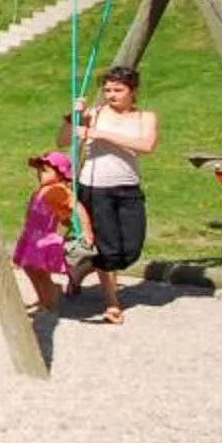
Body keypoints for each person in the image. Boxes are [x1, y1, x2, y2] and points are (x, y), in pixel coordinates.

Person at [67, 65, 158, 323]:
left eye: (118, 90)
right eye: (107, 90)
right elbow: (63, 139)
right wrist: (73, 116)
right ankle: (112, 303)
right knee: (108, 250)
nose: (111, 95)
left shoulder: (145, 117)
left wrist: (101, 134)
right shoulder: (94, 114)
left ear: (133, 91)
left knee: (130, 250)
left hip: (128, 188)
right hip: (95, 188)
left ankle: (80, 271)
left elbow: (146, 146)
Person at [14, 148, 77, 315]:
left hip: (44, 238)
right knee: (29, 268)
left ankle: (49, 302)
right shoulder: (41, 189)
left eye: (45, 170)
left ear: (60, 174)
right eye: (39, 170)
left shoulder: (58, 190)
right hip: (31, 236)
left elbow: (72, 207)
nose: (40, 173)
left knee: (40, 271)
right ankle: (43, 297)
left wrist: (73, 218)